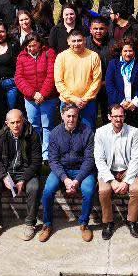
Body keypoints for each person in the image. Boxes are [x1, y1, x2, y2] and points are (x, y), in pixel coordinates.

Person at [40, 103, 97, 243]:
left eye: (74, 116)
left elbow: (89, 160)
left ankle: (84, 224)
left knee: (88, 191)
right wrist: (65, 179)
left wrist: (77, 180)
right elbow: (53, 160)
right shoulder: (54, 133)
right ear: (62, 116)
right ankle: (47, 225)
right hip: (62, 170)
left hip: (82, 170)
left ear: (78, 116)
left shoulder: (87, 132)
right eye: (68, 116)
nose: (71, 119)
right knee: (47, 190)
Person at [0, 109, 43, 241]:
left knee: (34, 188)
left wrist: (24, 179)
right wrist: (3, 177)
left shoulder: (32, 135)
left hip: (26, 171)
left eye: (18, 122)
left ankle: (30, 223)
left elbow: (36, 161)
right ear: (7, 123)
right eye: (12, 123)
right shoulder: (0, 135)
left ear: (23, 121)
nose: (16, 125)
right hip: (6, 171)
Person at [95, 104, 138, 240]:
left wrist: (127, 181)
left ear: (125, 116)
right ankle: (108, 222)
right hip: (108, 171)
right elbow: (99, 160)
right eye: (115, 116)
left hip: (128, 170)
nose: (118, 119)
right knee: (104, 191)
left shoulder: (133, 132)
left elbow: (136, 159)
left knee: (136, 189)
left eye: (121, 116)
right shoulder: (100, 132)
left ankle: (131, 221)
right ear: (109, 117)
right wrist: (112, 181)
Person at [15, 35, 58, 160]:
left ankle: (47, 154)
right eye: (28, 46)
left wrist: (43, 94)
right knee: (34, 125)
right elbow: (19, 78)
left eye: (34, 45)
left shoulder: (49, 53)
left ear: (40, 43)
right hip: (30, 99)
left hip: (48, 97)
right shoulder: (21, 57)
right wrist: (33, 94)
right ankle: (36, 152)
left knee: (47, 125)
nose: (31, 48)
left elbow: (51, 75)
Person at [54, 31, 103, 127]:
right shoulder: (61, 57)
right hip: (67, 102)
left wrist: (85, 99)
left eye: (79, 40)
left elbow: (97, 80)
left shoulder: (93, 56)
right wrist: (74, 99)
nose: (76, 44)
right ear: (68, 42)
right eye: (74, 41)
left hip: (88, 103)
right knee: (68, 131)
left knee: (88, 131)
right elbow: (59, 82)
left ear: (84, 40)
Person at [105, 39, 138, 129]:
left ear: (134, 51)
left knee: (136, 131)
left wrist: (135, 102)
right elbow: (110, 85)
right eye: (125, 51)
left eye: (130, 51)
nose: (128, 53)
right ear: (121, 51)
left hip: (137, 105)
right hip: (118, 106)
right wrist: (122, 102)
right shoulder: (113, 64)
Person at [0, 22, 20, 111]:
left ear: (6, 32)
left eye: (2, 31)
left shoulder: (13, 45)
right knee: (0, 112)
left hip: (12, 84)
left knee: (12, 111)